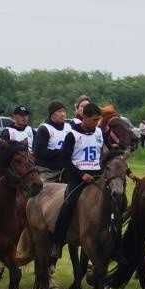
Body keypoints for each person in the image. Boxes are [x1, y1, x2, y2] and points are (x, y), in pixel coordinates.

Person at [49, 102, 104, 260]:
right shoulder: (72, 135)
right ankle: (57, 242)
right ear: (84, 118)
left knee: (117, 200)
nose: (96, 123)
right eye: (93, 120)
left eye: (98, 120)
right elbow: (65, 160)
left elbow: (105, 153)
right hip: (77, 176)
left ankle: (113, 239)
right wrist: (81, 175)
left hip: (98, 175)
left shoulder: (99, 132)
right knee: (69, 204)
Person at [33, 100, 72, 182]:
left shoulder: (69, 127)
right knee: (39, 189)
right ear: (52, 114)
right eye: (59, 111)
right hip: (48, 170)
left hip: (66, 169)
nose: (63, 114)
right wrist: (60, 152)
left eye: (64, 111)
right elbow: (39, 152)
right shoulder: (44, 129)